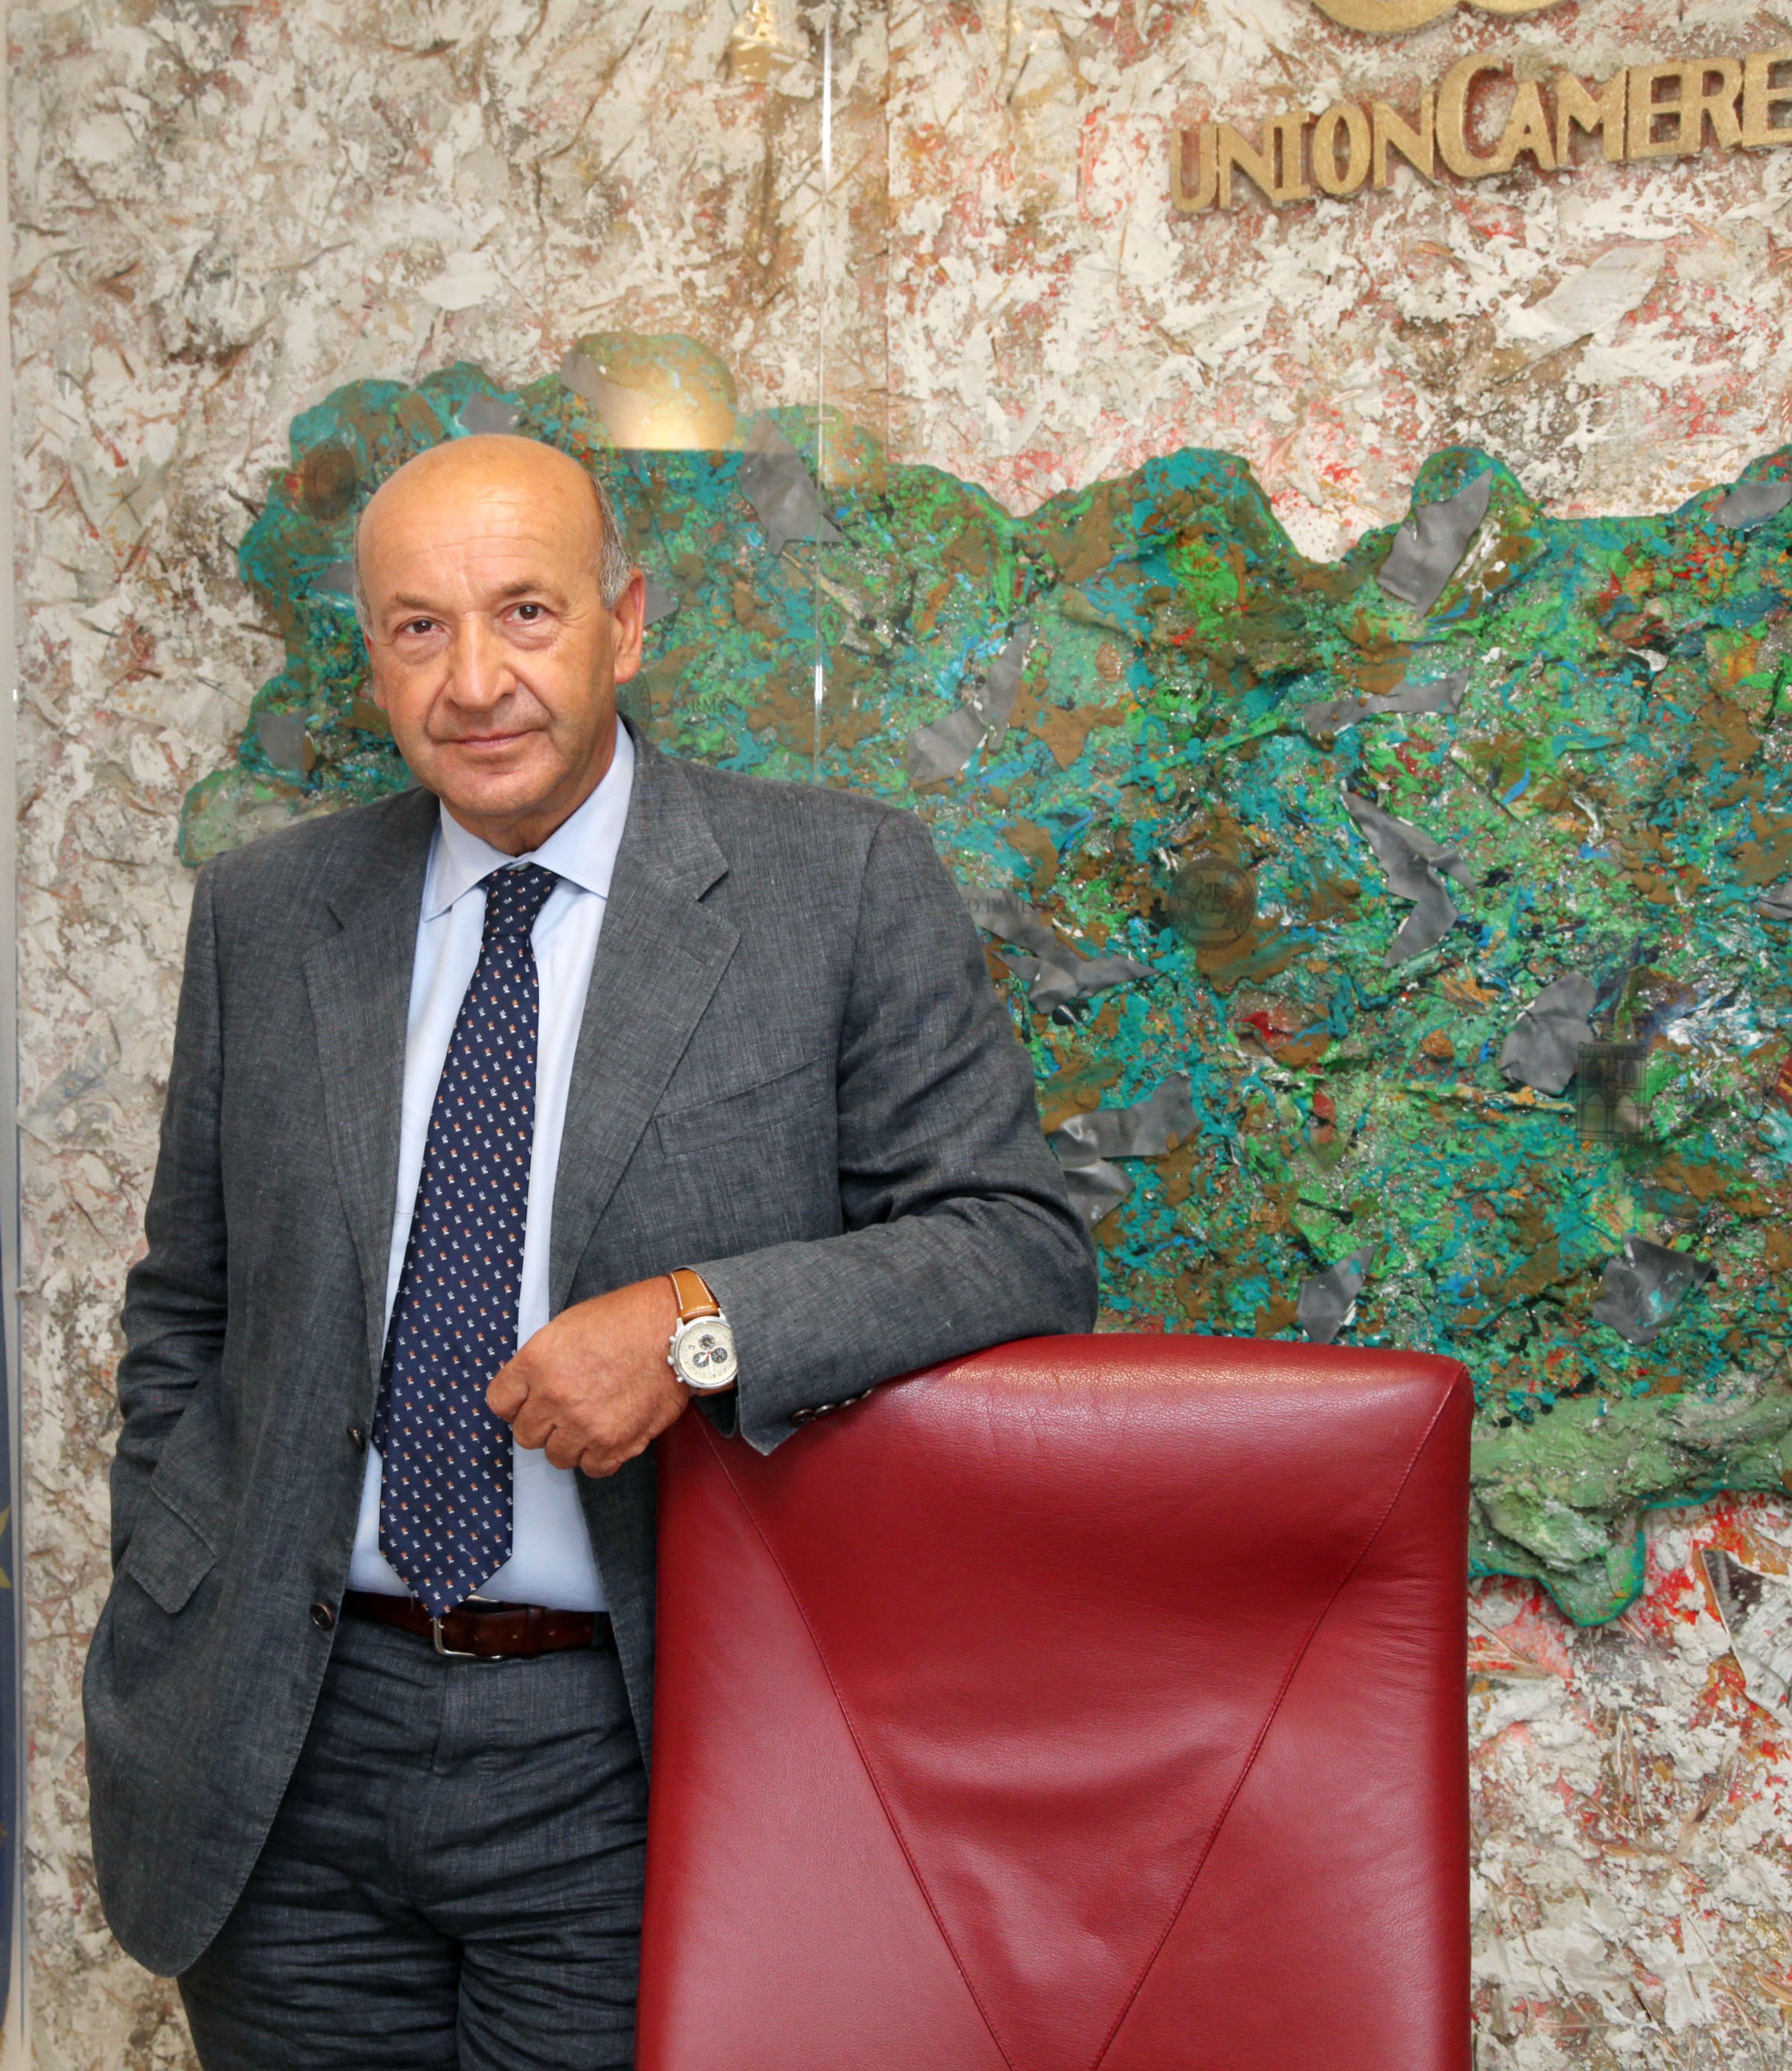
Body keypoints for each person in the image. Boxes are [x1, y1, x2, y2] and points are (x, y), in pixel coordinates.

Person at [84, 432, 1096, 2070]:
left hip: (628, 1745)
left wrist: (695, 1327)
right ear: (374, 660)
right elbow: (189, 1304)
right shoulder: (268, 915)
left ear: (625, 624)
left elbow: (1015, 1243)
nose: (476, 681)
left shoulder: (833, 885)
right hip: (283, 1752)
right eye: (421, 629)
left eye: (527, 613)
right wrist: (175, 1566)